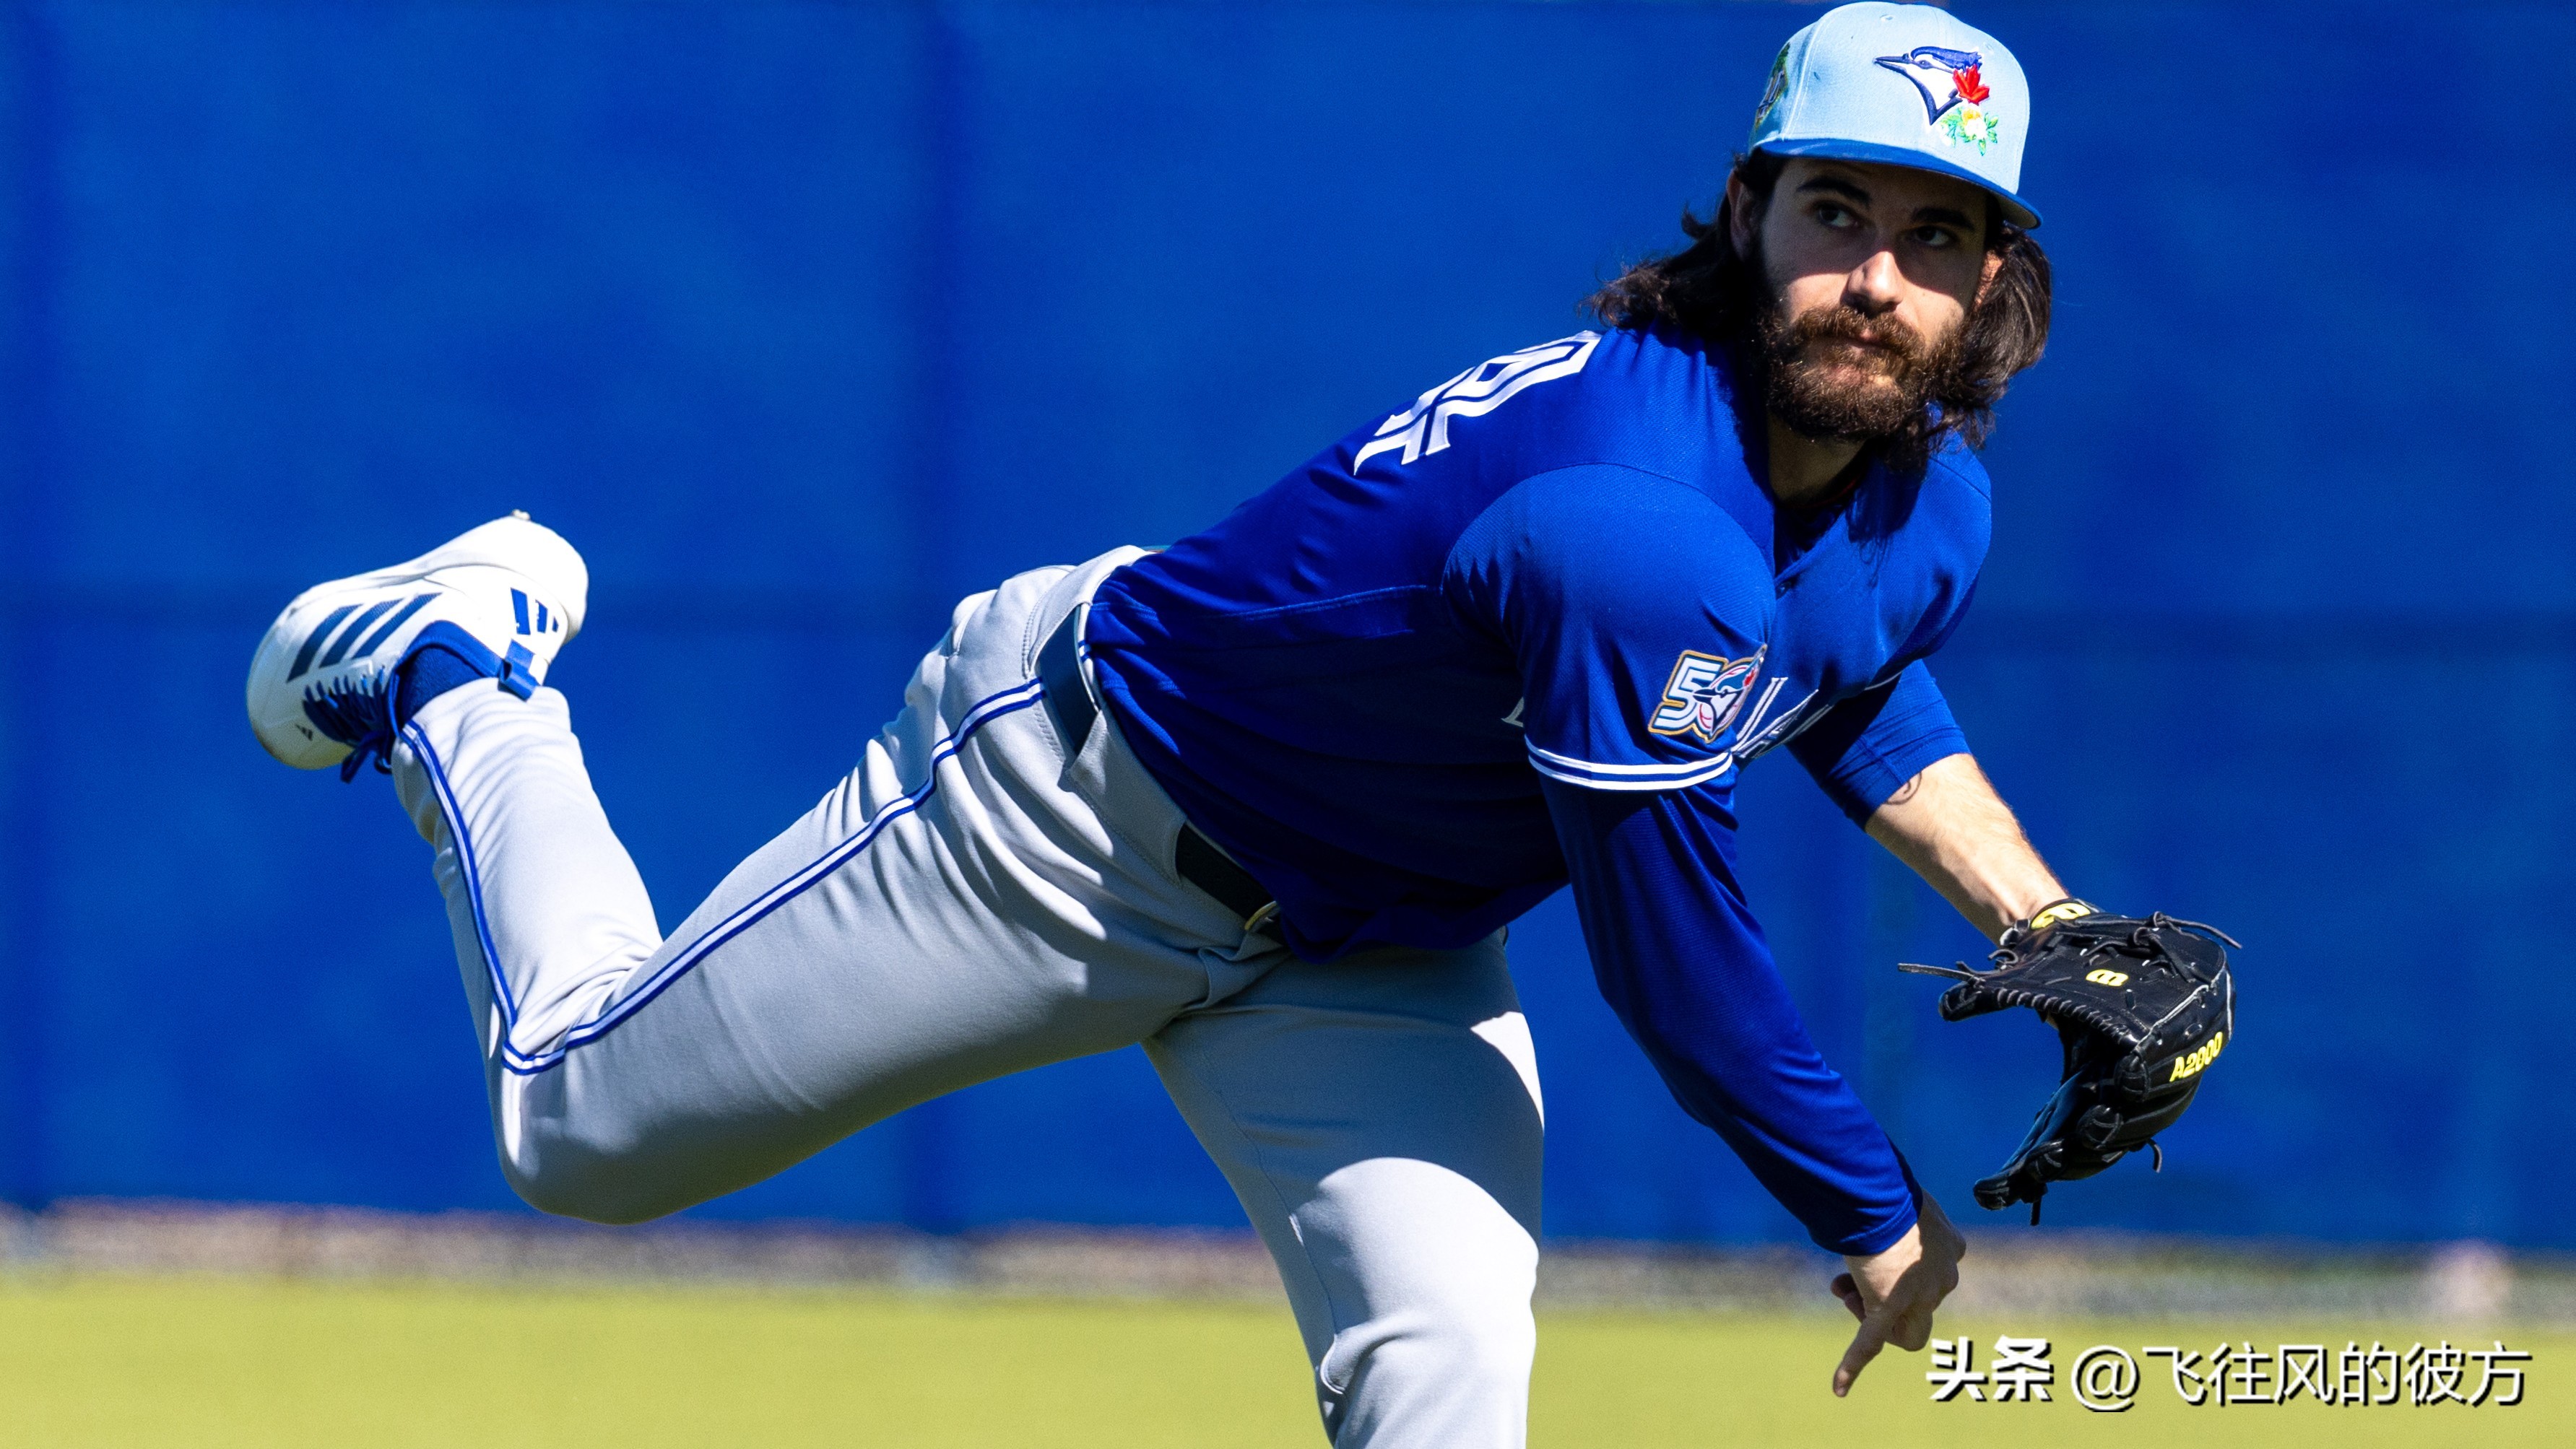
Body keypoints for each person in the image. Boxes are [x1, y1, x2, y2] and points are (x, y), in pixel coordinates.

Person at [247, 4, 2068, 1443]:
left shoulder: (1924, 500)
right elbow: (1672, 962)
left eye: (1934, 231)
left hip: (1373, 949)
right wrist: (1869, 1214)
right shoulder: (1634, 520)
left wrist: (2038, 920)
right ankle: (454, 673)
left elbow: (1842, 668)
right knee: (578, 1128)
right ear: (1747, 212)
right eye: (1835, 208)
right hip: (1073, 819)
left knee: (1442, 1373)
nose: (1874, 272)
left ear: (1991, 278)